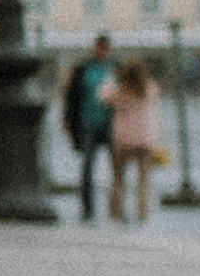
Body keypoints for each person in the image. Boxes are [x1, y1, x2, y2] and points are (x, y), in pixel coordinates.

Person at [64, 34, 117, 221]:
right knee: (87, 167)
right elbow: (71, 96)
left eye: (105, 47)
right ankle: (87, 208)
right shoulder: (83, 68)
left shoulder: (116, 68)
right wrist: (68, 121)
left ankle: (116, 208)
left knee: (117, 168)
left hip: (112, 124)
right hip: (87, 123)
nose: (102, 51)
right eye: (99, 47)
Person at [109, 61, 163, 221]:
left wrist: (113, 78)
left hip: (123, 140)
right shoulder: (150, 89)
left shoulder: (120, 92)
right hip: (145, 140)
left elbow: (103, 94)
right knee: (143, 180)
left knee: (118, 179)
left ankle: (116, 214)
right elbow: (154, 89)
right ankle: (142, 215)